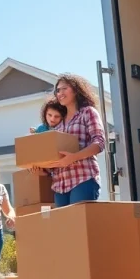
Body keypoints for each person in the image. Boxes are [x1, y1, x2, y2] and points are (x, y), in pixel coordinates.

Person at [33, 74, 107, 207]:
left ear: (76, 90)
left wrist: (74, 157)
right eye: (58, 90)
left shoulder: (87, 112)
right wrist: (44, 171)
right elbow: (57, 159)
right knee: (65, 221)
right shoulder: (58, 124)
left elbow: (99, 143)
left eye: (64, 88)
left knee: (79, 220)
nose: (60, 93)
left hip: (83, 178)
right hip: (59, 186)